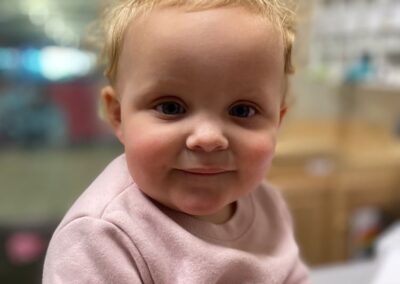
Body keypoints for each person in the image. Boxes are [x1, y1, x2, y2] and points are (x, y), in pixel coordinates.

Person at [43, 0, 310, 283]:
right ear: (118, 115)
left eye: (242, 111)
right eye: (171, 107)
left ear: (276, 122)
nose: (208, 139)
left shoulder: (267, 204)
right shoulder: (100, 239)